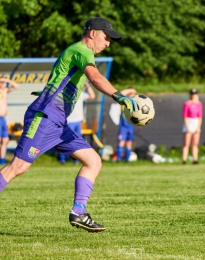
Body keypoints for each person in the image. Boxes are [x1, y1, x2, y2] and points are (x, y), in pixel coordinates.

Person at [0, 17, 138, 233]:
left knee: (93, 160)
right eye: (106, 37)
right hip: (44, 117)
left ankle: (79, 212)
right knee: (18, 167)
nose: (108, 42)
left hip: (58, 124)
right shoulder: (82, 50)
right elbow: (95, 78)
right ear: (93, 33)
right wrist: (120, 96)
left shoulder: (80, 53)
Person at [59, 81, 95, 164]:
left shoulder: (80, 94)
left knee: (77, 140)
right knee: (66, 140)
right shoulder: (65, 94)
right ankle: (62, 159)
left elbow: (92, 96)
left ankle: (76, 160)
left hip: (78, 121)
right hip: (69, 121)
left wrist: (88, 86)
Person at [0, 78, 19, 165]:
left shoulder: (4, 90)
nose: (2, 83)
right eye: (1, 82)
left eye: (3, 82)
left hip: (3, 119)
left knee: (5, 140)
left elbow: (16, 86)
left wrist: (7, 80)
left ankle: (2, 159)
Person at [182, 88, 203, 165]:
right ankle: (184, 160)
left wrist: (198, 127)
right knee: (186, 143)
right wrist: (188, 127)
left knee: (195, 143)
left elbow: (200, 116)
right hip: (188, 122)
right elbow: (185, 115)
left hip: (196, 122)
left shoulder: (199, 104)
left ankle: (195, 159)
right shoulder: (187, 103)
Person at [116, 88, 136, 162]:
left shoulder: (135, 103)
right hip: (123, 126)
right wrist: (130, 90)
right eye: (131, 93)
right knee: (121, 142)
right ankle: (118, 160)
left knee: (129, 143)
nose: (133, 94)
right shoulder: (124, 101)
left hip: (131, 126)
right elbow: (119, 94)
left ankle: (127, 160)